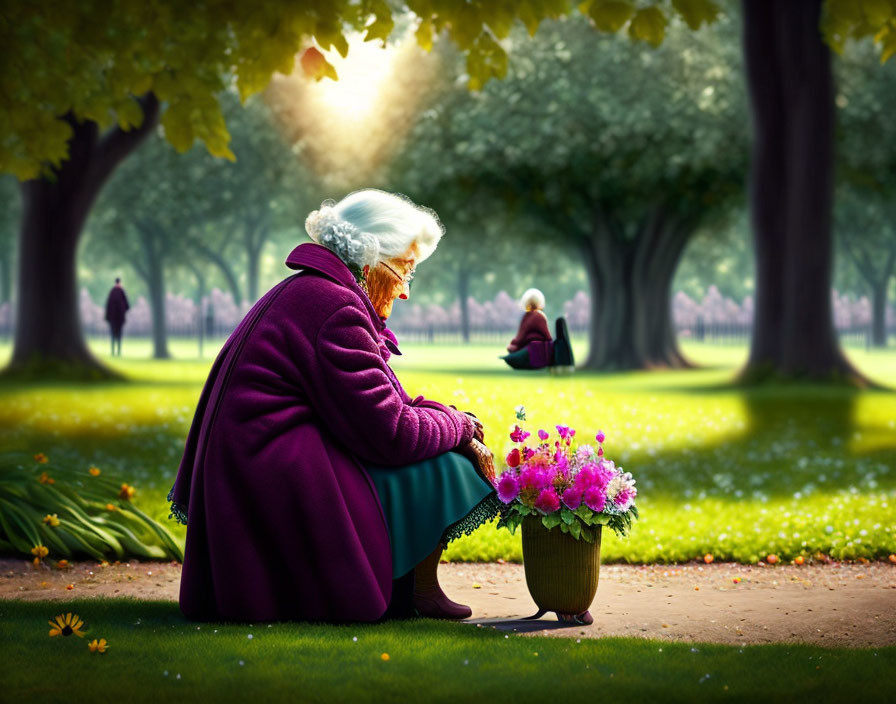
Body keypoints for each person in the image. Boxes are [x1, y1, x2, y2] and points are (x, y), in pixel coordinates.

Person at [168, 189, 501, 623]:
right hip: (273, 482)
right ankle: (415, 590)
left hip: (254, 475)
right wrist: (459, 430)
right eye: (405, 271)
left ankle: (418, 589)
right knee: (447, 466)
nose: (405, 293)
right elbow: (393, 432)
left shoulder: (316, 293)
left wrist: (456, 422)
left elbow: (387, 403)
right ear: (371, 263)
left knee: (438, 447)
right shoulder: (335, 306)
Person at [502, 288, 553, 369]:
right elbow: (548, 336)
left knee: (512, 355)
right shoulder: (540, 315)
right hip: (539, 348)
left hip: (533, 348)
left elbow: (521, 336)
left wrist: (513, 345)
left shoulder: (531, 317)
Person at [104, 277, 130, 357]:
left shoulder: (112, 292)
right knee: (118, 334)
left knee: (113, 334)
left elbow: (108, 305)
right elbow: (127, 306)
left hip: (112, 318)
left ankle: (113, 352)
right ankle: (118, 352)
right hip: (119, 318)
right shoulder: (122, 291)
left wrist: (107, 317)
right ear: (120, 282)